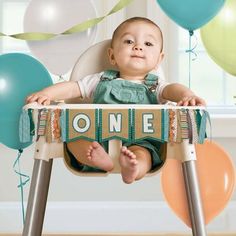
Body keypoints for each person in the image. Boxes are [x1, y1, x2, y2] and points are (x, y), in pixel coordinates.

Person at [26, 17, 206, 184]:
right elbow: (73, 87)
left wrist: (187, 95)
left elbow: (173, 89)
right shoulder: (99, 80)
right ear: (112, 56)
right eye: (129, 41)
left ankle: (133, 169)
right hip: (97, 138)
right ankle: (98, 159)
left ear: (159, 59)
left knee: (144, 155)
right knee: (73, 138)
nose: (138, 47)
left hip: (140, 139)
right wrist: (47, 94)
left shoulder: (156, 85)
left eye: (148, 43)